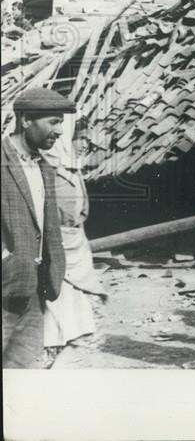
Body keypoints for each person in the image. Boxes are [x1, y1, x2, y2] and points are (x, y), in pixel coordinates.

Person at [1, 87, 70, 368]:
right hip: (5, 286)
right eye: (53, 122)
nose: (59, 131)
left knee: (23, 371)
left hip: (36, 287)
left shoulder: (43, 167)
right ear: (26, 119)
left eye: (60, 123)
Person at [42, 118, 108, 367]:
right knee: (57, 300)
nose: (85, 146)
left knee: (82, 298)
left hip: (76, 242)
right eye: (81, 139)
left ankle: (74, 343)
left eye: (89, 142)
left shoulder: (73, 168)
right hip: (56, 242)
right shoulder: (49, 165)